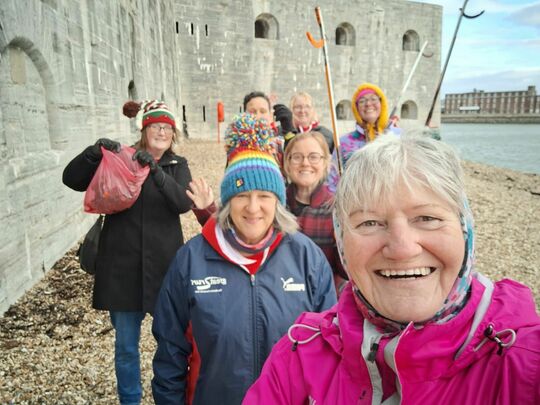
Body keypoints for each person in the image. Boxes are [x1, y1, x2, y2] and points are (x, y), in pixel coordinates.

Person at [244, 134, 540, 404]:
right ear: (343, 242)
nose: (401, 248)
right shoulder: (300, 353)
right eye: (370, 223)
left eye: (426, 217)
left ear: (465, 230)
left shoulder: (523, 361)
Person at [151, 113, 337, 405]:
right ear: (227, 202)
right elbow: (170, 353)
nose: (253, 208)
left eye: (264, 195)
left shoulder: (306, 258)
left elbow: (330, 349)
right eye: (241, 195)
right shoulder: (191, 260)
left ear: (278, 201)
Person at [63, 100, 193, 405]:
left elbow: (183, 203)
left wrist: (157, 173)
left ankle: (169, 397)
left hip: (165, 269)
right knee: (125, 347)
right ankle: (130, 400)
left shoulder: (178, 165)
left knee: (171, 343)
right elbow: (72, 180)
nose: (161, 131)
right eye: (155, 125)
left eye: (167, 127)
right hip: (122, 268)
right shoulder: (122, 159)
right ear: (145, 129)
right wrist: (93, 154)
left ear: (172, 134)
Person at [283, 131, 347, 293]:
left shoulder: (337, 208)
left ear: (325, 163)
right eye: (297, 157)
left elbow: (346, 271)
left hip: (322, 298)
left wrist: (345, 241)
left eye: (313, 157)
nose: (305, 163)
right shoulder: (275, 204)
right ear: (287, 163)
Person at [327, 82, 401, 192]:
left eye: (373, 99)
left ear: (382, 103)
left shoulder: (400, 136)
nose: (368, 104)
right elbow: (333, 180)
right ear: (356, 109)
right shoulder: (344, 142)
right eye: (362, 101)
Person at [243, 91, 295, 171]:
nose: (258, 116)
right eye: (252, 112)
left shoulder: (280, 144)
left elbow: (296, 166)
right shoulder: (237, 146)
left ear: (271, 116)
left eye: (263, 111)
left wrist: (289, 133)